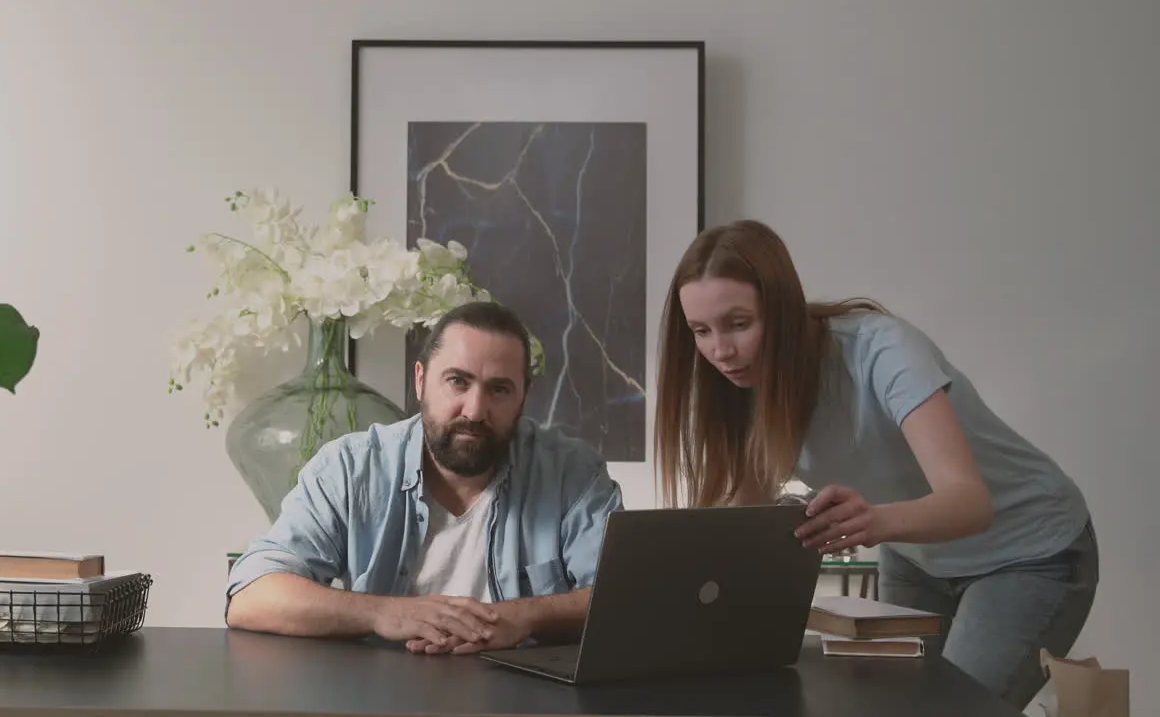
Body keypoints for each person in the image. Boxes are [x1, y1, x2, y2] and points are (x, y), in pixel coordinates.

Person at [652, 220, 1097, 709]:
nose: (720, 351)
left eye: (739, 324)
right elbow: (746, 508)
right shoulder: (746, 386)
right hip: (915, 557)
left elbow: (969, 503)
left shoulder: (882, 350)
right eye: (700, 330)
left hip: (1029, 551)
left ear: (781, 308)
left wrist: (873, 520)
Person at [225, 300, 623, 656]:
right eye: (458, 382)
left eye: (499, 389)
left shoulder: (572, 473)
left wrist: (525, 617)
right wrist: (384, 613)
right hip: (380, 701)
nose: (475, 410)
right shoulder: (352, 468)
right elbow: (251, 595)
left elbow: (623, 597)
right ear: (420, 380)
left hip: (529, 703)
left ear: (523, 397)